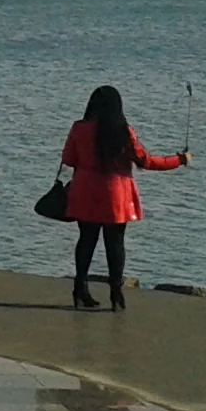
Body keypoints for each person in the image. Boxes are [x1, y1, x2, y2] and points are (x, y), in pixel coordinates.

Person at [60, 84, 189, 311]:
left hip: (85, 191)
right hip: (115, 196)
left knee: (86, 241)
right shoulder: (123, 130)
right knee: (116, 244)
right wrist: (179, 160)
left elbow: (69, 159)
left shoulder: (79, 129)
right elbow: (146, 161)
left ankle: (80, 290)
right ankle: (116, 294)